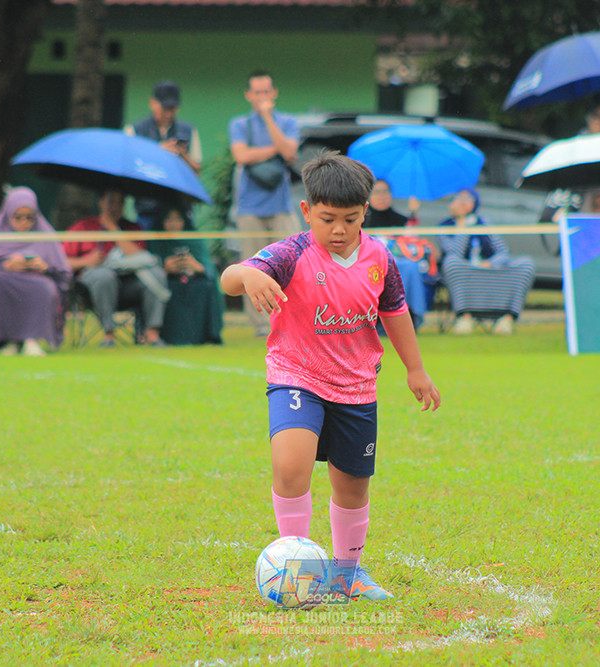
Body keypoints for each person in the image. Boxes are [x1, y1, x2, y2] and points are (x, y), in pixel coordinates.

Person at [219, 152, 441, 601]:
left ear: (365, 212)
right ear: (307, 212)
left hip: (357, 385)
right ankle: (296, 565)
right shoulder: (291, 252)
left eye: (350, 219)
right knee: (290, 466)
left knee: (352, 484)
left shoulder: (380, 257)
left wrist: (415, 369)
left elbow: (394, 312)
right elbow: (229, 278)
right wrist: (245, 273)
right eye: (327, 219)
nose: (338, 230)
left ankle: (346, 574)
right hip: (296, 374)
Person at [228, 70, 301, 337]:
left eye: (266, 92)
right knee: (253, 266)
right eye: (257, 92)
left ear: (274, 93)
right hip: (249, 207)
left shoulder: (288, 121)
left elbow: (291, 152)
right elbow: (241, 155)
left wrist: (269, 119)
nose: (262, 97)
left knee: (292, 263)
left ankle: (293, 318)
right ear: (248, 95)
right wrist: (275, 150)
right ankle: (260, 324)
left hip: (281, 205)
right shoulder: (239, 124)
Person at [62, 190, 169, 347]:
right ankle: (108, 334)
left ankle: (152, 334)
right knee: (104, 276)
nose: (115, 207)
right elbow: (62, 261)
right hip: (93, 287)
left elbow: (141, 257)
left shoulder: (132, 228)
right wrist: (86, 261)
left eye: (120, 203)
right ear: (100, 203)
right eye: (111, 202)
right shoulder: (83, 227)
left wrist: (113, 228)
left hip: (128, 286)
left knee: (156, 274)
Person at [0, 187, 71, 356]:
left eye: (29, 218)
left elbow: (62, 271)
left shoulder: (46, 234)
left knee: (45, 288)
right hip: (6, 278)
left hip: (38, 279)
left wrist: (45, 267)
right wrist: (5, 265)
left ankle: (33, 339)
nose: (24, 222)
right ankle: (10, 341)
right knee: (0, 281)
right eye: (18, 217)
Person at [438, 189, 536, 336]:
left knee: (526, 263)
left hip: (490, 269)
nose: (463, 202)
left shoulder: (484, 223)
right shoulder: (444, 227)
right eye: (459, 198)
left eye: (468, 199)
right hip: (466, 271)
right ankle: (465, 317)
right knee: (451, 263)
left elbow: (503, 252)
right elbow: (454, 253)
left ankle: (506, 319)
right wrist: (463, 228)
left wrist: (491, 263)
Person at [125, 80, 202, 230]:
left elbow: (197, 170)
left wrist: (182, 154)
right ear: (153, 103)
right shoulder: (134, 130)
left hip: (179, 210)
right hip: (147, 209)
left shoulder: (189, 130)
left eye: (173, 109)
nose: (168, 114)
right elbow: (129, 170)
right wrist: (157, 151)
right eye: (165, 108)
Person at [145, 205, 223, 345]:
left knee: (207, 287)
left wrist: (196, 266)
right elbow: (151, 266)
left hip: (195, 282)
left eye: (177, 219)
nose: (173, 224)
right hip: (167, 283)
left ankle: (209, 335)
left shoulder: (194, 239)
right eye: (168, 220)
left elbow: (208, 269)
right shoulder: (156, 240)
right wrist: (166, 267)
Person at [365, 179, 431, 329]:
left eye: (385, 192)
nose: (381, 196)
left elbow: (412, 243)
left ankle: (408, 315)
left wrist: (413, 213)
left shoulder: (402, 220)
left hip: (400, 263)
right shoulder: (362, 220)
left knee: (410, 267)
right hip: (370, 263)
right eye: (376, 192)